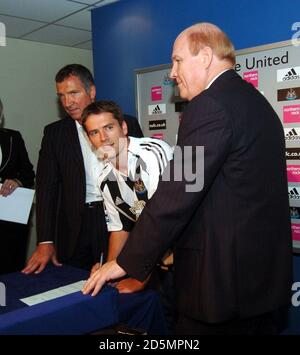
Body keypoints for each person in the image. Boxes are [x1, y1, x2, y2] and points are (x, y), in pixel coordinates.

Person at [82, 23, 293, 335]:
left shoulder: (208, 106)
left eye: (178, 60)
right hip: (261, 288)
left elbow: (177, 194)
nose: (171, 73)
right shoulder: (257, 104)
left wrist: (124, 262)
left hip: (222, 292)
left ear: (205, 56)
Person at [23, 64, 144, 274]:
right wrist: (45, 240)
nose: (67, 102)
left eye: (73, 93)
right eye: (61, 95)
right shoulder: (54, 134)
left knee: (119, 280)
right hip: (76, 226)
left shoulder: (126, 124)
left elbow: (140, 177)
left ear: (92, 91)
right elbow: (46, 188)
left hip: (120, 218)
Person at [81, 100, 173, 294]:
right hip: (156, 257)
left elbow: (162, 219)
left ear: (123, 127)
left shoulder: (151, 153)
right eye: (94, 132)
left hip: (192, 252)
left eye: (109, 127)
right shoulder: (103, 176)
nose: (103, 138)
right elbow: (120, 228)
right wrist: (108, 269)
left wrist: (139, 276)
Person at [0, 98, 35, 274]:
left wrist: (17, 181)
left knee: (12, 269)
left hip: (11, 220)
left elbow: (29, 173)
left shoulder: (13, 137)